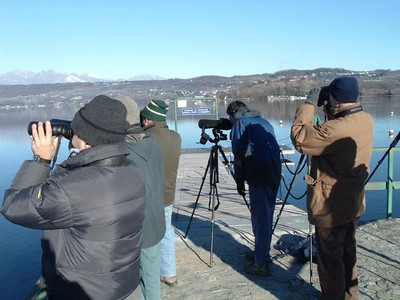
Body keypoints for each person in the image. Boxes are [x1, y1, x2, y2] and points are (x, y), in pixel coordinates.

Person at [1, 95, 146, 300]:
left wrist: (41, 160)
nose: (71, 133)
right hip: (126, 286)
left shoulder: (72, 189)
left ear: (86, 141)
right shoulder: (133, 170)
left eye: (74, 130)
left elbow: (13, 207)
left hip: (84, 293)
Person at [291, 76, 374, 299]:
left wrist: (309, 103)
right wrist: (332, 108)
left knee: (330, 260)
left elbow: (300, 137)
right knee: (348, 253)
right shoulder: (366, 119)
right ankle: (350, 295)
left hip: (330, 207)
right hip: (353, 203)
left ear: (336, 99)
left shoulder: (334, 129)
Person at [115, 95, 166, 300]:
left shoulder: (122, 153)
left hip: (132, 231)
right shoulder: (153, 144)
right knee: (152, 279)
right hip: (155, 222)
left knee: (130, 286)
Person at [226, 100, 281, 277]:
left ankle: (261, 263)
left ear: (233, 113)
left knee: (260, 217)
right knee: (267, 214)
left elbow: (239, 157)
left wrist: (239, 181)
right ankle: (261, 251)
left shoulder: (240, 124)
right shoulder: (263, 121)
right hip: (274, 170)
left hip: (259, 174)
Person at [141, 100, 181, 287]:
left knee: (146, 236)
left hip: (149, 196)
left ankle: (148, 274)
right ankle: (169, 273)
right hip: (168, 194)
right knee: (166, 232)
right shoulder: (176, 137)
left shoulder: (145, 139)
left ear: (148, 120)